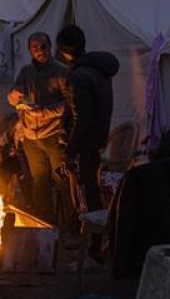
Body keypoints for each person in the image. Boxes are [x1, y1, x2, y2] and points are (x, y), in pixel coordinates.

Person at [56, 24, 120, 258]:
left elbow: (81, 118)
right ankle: (94, 243)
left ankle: (93, 247)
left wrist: (70, 150)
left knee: (85, 196)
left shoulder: (80, 76)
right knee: (90, 192)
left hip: (84, 145)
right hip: (95, 140)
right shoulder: (98, 69)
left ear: (63, 50)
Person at [8, 32, 72, 222]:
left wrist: (43, 112)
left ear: (50, 46)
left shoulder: (61, 71)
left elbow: (68, 104)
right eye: (35, 47)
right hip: (30, 137)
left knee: (62, 180)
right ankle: (45, 223)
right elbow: (13, 97)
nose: (40, 51)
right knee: (40, 182)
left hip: (53, 135)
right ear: (30, 50)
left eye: (43, 46)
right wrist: (13, 96)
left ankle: (71, 223)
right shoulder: (26, 71)